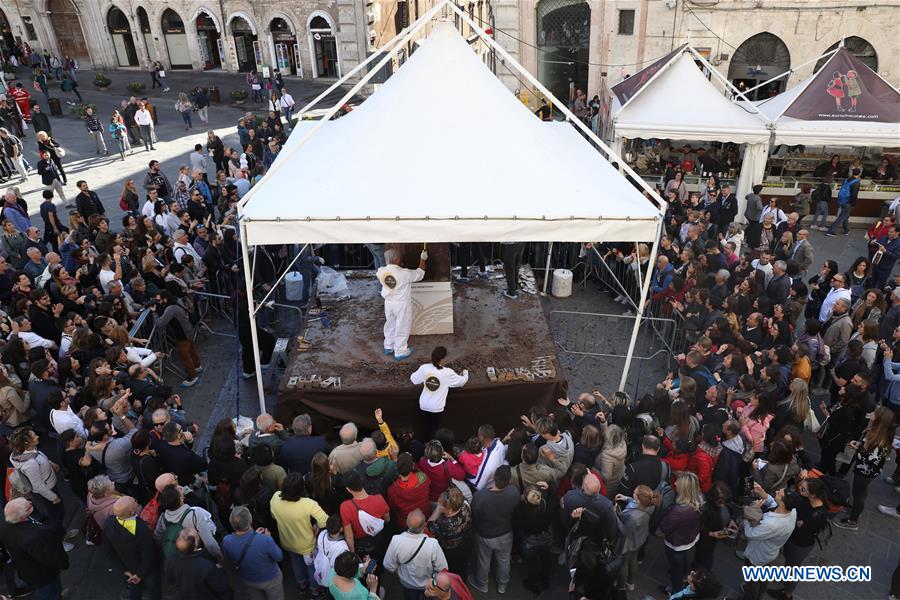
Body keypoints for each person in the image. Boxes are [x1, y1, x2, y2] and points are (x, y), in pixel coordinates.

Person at [833, 406, 895, 531]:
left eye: (874, 413)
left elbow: (872, 460)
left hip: (865, 472)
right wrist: (860, 444)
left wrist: (859, 450)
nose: (871, 413)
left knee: (859, 494)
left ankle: (853, 520)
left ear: (879, 420)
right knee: (859, 493)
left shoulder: (878, 440)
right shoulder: (875, 432)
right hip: (863, 469)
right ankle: (856, 509)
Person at [269, 473, 328, 597]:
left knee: (295, 563)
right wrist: (316, 527)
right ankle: (315, 591)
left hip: (288, 542)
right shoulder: (308, 504)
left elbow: (274, 516)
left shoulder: (275, 498)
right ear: (302, 488)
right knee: (312, 568)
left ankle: (302, 586)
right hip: (307, 546)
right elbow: (324, 521)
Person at [739, 483, 800, 600]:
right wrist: (763, 493)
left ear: (783, 502)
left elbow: (750, 533)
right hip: (770, 553)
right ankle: (761, 594)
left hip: (758, 555)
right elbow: (774, 504)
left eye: (779, 493)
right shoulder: (792, 511)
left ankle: (751, 596)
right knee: (763, 576)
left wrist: (751, 512)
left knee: (752, 581)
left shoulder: (771, 524)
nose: (776, 492)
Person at [0, 497, 70, 600]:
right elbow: (48, 558)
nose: (29, 501)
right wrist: (63, 563)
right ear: (23, 516)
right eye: (28, 506)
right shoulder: (31, 537)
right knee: (49, 593)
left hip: (26, 569)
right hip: (42, 575)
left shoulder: (4, 524)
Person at [469, 464, 518, 594]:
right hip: (505, 533)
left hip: (485, 534)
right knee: (504, 560)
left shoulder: (480, 496)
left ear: (494, 477)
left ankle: (482, 584)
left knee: (484, 560)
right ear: (509, 480)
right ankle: (503, 585)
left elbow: (475, 516)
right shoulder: (514, 492)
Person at [103, 496, 162, 600]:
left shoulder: (109, 522)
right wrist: (140, 575)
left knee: (135, 589)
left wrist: (125, 571)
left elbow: (109, 551)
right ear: (131, 511)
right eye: (134, 501)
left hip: (129, 567)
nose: (135, 500)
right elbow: (148, 554)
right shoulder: (141, 529)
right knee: (154, 589)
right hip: (148, 569)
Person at [384, 509, 448, 599]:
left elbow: (388, 566)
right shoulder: (433, 544)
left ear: (407, 523)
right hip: (427, 585)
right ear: (424, 525)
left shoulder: (396, 540)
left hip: (406, 583)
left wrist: (398, 569)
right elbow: (443, 568)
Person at [222, 506, 284, 600]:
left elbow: (230, 561)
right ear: (250, 520)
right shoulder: (265, 539)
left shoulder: (226, 541)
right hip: (270, 579)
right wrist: (268, 538)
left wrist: (255, 536)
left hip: (249, 580)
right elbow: (279, 557)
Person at [377, 247, 427, 360]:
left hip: (388, 303)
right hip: (401, 304)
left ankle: (388, 346)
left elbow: (383, 273)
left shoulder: (381, 271)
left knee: (390, 324)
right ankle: (400, 351)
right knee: (402, 326)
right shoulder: (404, 273)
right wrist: (422, 259)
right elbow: (420, 274)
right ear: (397, 259)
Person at [409, 346, 468, 435]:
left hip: (424, 404)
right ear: (443, 359)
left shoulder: (425, 368)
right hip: (436, 407)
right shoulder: (448, 373)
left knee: (426, 427)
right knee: (435, 430)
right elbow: (461, 382)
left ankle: (426, 444)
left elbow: (414, 379)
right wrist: (465, 373)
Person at [660, 472, 702, 595]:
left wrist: (663, 511)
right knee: (683, 559)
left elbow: (664, 527)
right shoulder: (700, 498)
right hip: (690, 538)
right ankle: (685, 575)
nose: (675, 483)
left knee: (675, 569)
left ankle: (675, 590)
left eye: (678, 482)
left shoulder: (678, 511)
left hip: (676, 543)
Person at [165, 528, 232, 600]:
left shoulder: (170, 560)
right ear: (195, 544)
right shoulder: (207, 566)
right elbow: (222, 589)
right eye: (197, 536)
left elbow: (171, 580)